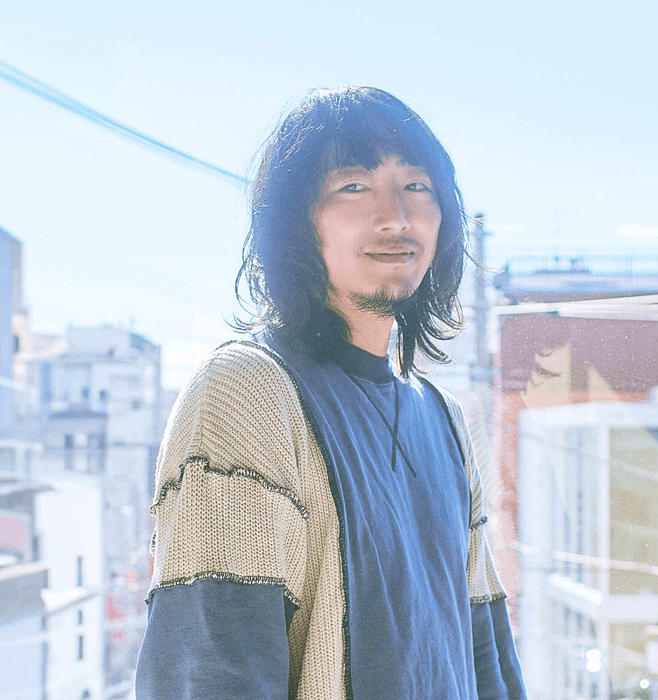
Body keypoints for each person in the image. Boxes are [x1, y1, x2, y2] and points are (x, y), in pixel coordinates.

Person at [135, 87, 528, 699]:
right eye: (353, 186)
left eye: (416, 185)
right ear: (295, 222)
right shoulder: (247, 392)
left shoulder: (444, 418)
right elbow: (212, 672)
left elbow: (486, 658)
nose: (396, 217)